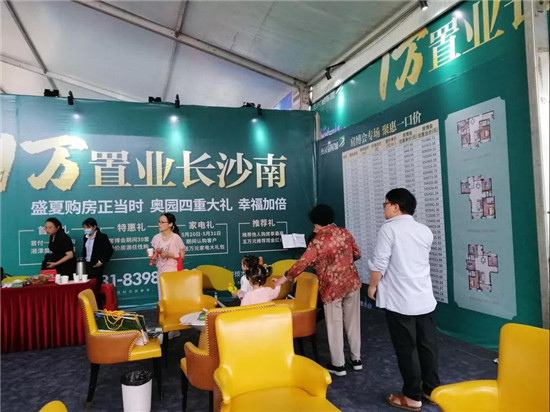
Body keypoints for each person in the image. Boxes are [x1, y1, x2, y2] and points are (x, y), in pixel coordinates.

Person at [368, 188, 440, 411]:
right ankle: (431, 390)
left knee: (407, 349)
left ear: (395, 206)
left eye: (385, 204)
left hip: (400, 301)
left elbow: (380, 263)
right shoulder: (424, 230)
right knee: (427, 346)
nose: (384, 208)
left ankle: (412, 396)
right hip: (424, 298)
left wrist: (372, 286)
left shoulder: (389, 229)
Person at [278, 204, 362, 376]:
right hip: (352, 282)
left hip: (331, 288)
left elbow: (303, 263)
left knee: (334, 325)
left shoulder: (317, 241)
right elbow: (357, 254)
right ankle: (356, 360)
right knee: (353, 322)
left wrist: (285, 277)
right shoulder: (345, 233)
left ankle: (338, 365)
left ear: (315, 222)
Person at [150, 213, 185, 299]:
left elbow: (182, 256)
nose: (159, 224)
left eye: (162, 222)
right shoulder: (156, 238)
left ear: (170, 224)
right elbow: (156, 256)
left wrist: (168, 254)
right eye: (159, 222)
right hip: (161, 271)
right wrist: (152, 257)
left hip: (172, 271)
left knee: (173, 296)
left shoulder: (176, 238)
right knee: (162, 295)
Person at [81, 218, 114, 302]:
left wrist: (101, 262)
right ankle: (89, 305)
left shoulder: (102, 237)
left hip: (96, 265)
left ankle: (97, 307)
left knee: (95, 288)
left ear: (94, 227)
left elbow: (109, 251)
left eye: (88, 227)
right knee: (86, 287)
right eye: (84, 227)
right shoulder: (85, 237)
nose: (86, 229)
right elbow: (85, 250)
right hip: (86, 264)